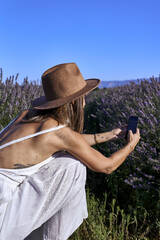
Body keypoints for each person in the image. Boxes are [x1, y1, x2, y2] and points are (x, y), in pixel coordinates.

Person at [0, 63, 140, 240]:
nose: (84, 102)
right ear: (73, 102)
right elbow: (106, 166)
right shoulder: (59, 133)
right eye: (83, 97)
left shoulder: (25, 115)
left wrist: (111, 135)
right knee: (74, 166)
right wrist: (131, 145)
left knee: (67, 157)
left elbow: (72, 142)